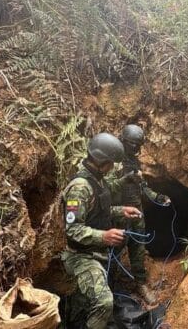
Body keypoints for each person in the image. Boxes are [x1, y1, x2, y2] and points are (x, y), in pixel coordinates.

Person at [61, 132, 142, 328]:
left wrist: (122, 211)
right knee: (104, 302)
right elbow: (72, 230)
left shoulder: (98, 180)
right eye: (112, 163)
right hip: (81, 256)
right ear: (102, 161)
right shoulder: (80, 188)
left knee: (83, 303)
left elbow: (101, 209)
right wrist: (103, 236)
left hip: (98, 253)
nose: (113, 167)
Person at [114, 124, 170, 304]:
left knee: (138, 248)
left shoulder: (134, 162)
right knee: (113, 249)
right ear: (122, 140)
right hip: (118, 213)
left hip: (137, 211)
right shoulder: (112, 161)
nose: (136, 149)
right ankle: (109, 286)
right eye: (133, 144)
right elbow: (104, 189)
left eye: (139, 145)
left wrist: (158, 197)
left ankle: (140, 283)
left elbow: (143, 187)